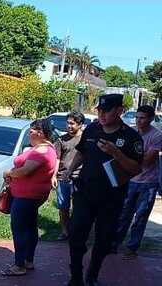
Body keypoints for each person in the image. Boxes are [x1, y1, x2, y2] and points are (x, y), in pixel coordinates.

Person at [62, 94, 143, 286]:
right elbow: (81, 152)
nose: (101, 114)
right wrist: (70, 170)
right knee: (76, 234)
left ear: (119, 111)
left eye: (106, 111)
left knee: (104, 240)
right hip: (85, 193)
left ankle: (92, 275)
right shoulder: (92, 129)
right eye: (99, 110)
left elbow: (136, 169)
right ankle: (76, 277)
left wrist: (116, 153)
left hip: (111, 197)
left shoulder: (131, 137)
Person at [0, 119, 58, 276]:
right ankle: (28, 260)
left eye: (31, 130)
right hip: (29, 196)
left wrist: (9, 173)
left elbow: (26, 170)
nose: (29, 133)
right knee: (30, 227)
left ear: (40, 132)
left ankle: (19, 265)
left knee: (19, 229)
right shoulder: (43, 149)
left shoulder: (43, 151)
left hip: (27, 197)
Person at [112, 105, 162, 259]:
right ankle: (114, 244)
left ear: (150, 119)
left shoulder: (156, 135)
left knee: (140, 217)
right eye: (137, 117)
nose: (139, 121)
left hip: (148, 182)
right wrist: (125, 157)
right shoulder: (131, 132)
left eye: (142, 118)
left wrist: (125, 157)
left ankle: (132, 248)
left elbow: (147, 161)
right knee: (123, 214)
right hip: (130, 180)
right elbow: (119, 154)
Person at [54, 111, 86, 241]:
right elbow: (57, 159)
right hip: (63, 178)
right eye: (67, 123)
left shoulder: (85, 139)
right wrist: (54, 176)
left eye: (72, 123)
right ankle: (65, 231)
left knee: (79, 207)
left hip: (80, 178)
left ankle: (77, 231)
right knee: (63, 207)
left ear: (80, 125)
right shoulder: (61, 140)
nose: (69, 126)